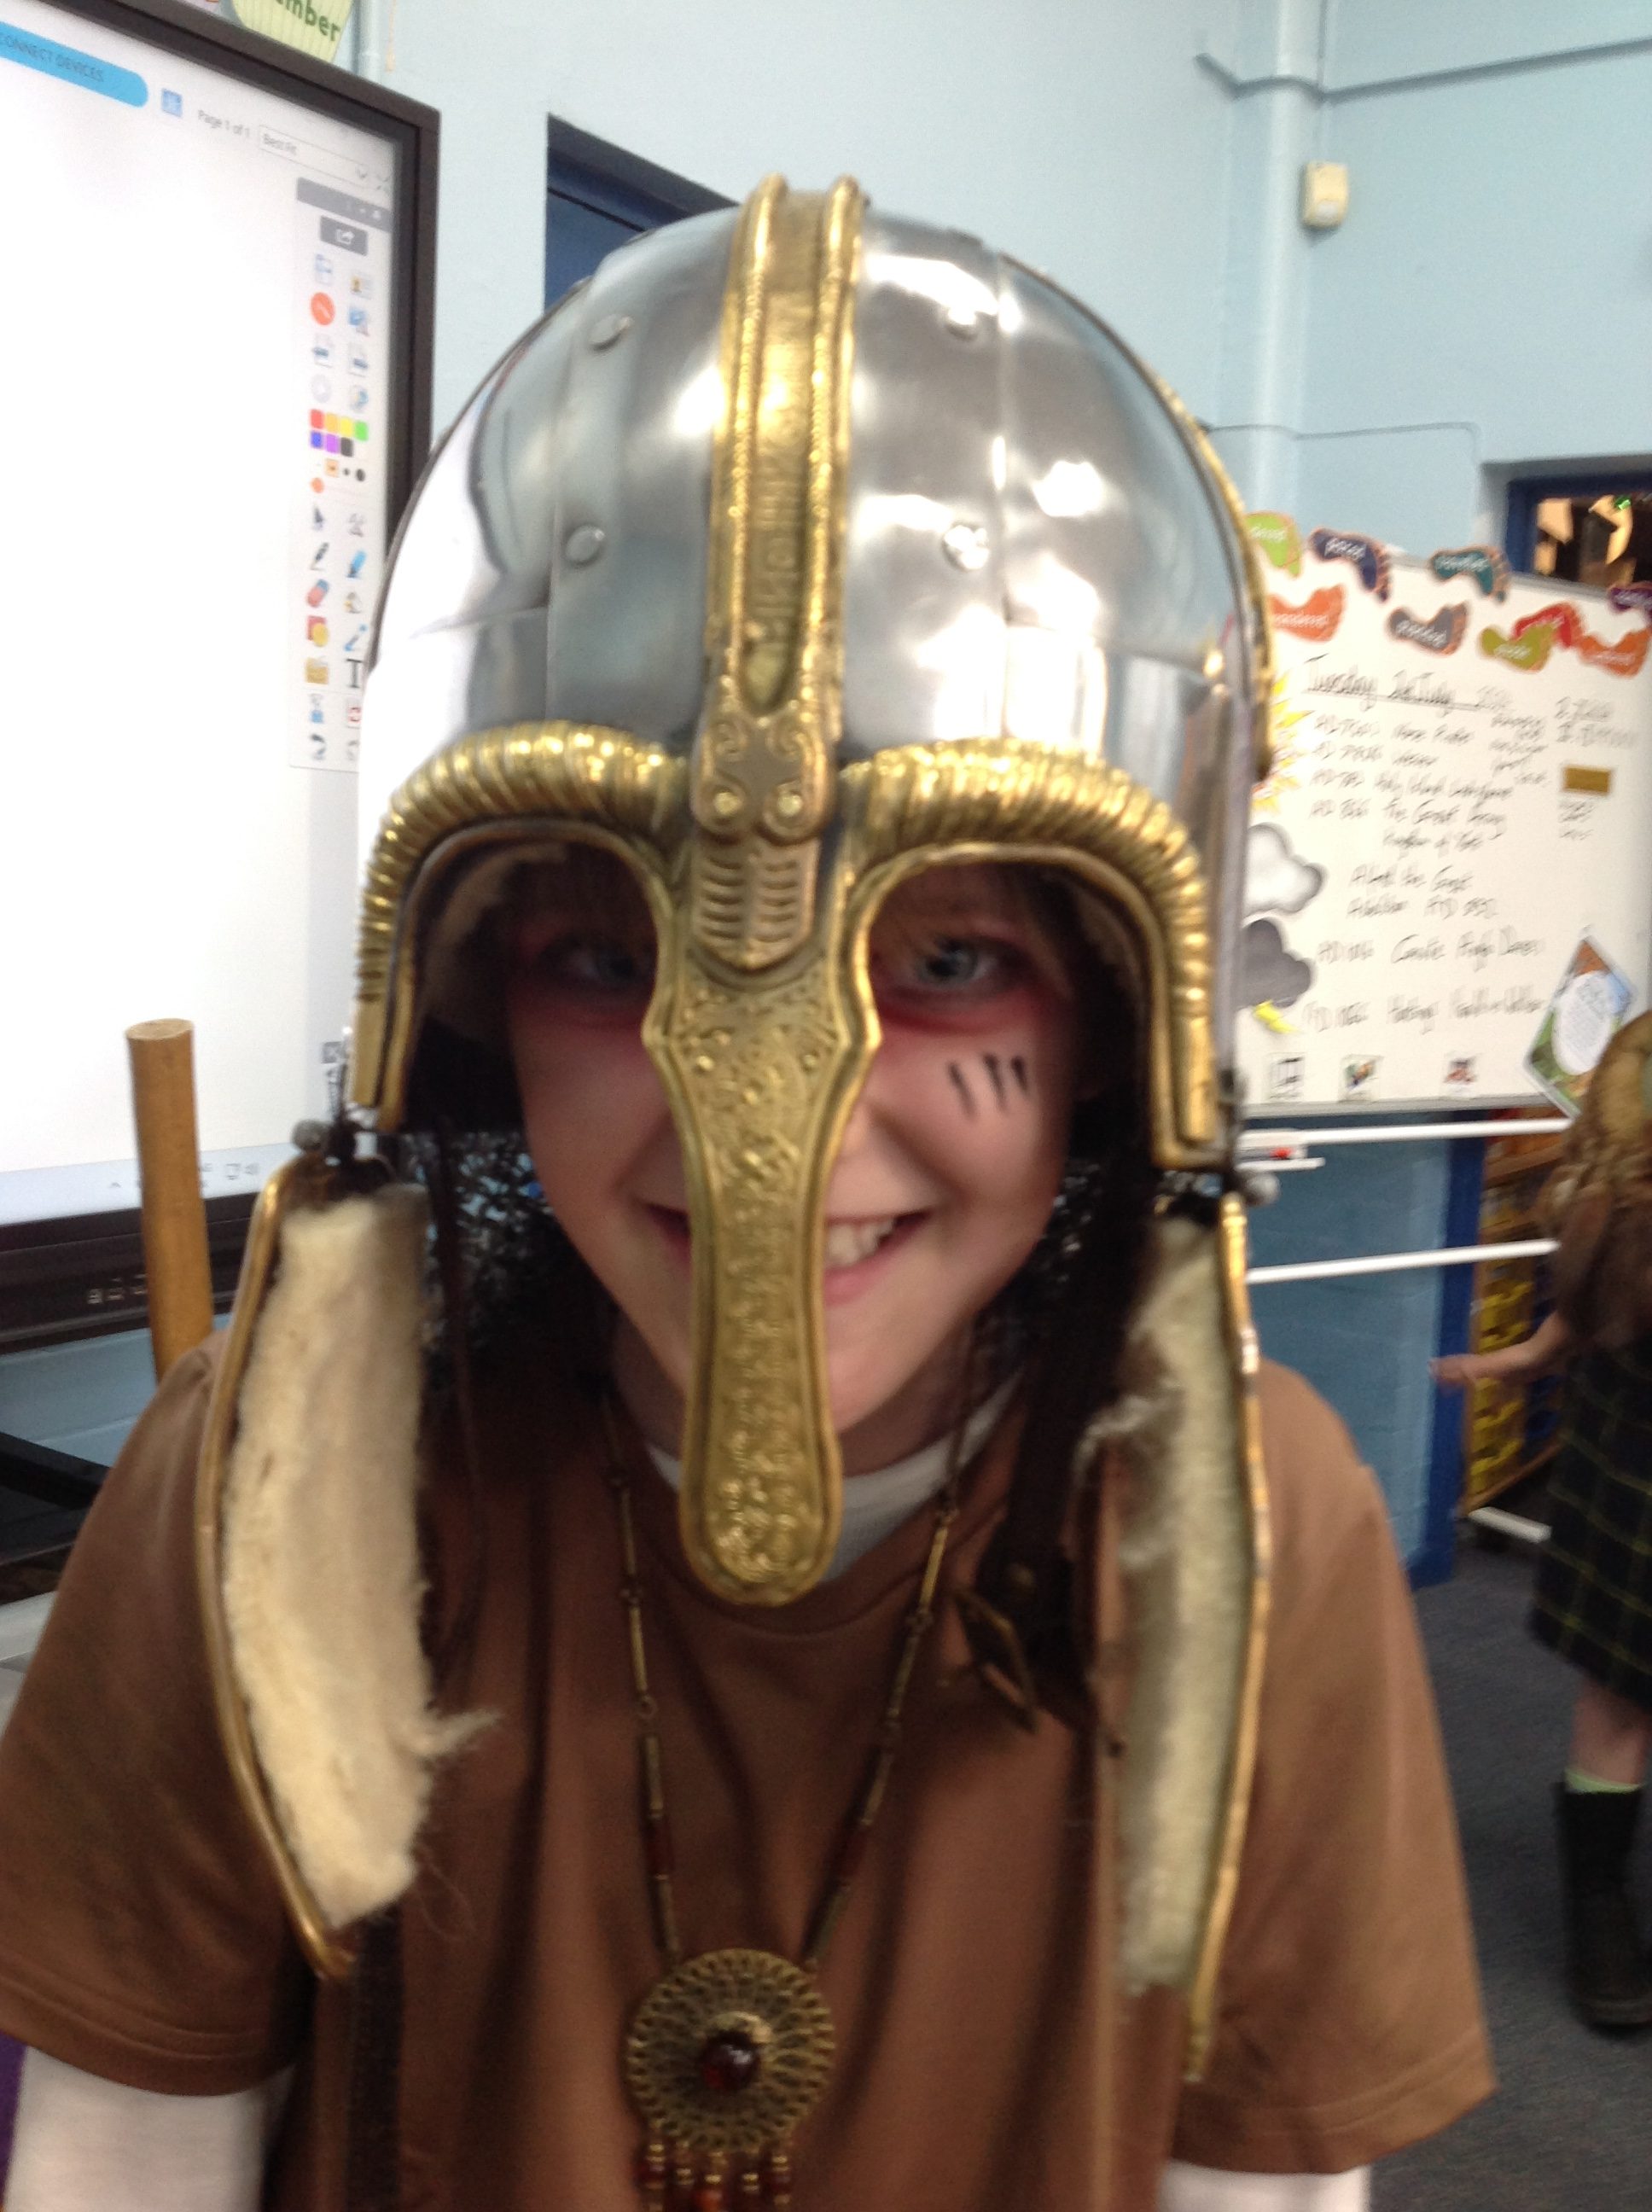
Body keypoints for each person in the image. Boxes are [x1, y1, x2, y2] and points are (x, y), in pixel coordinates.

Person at [0, 178, 1491, 2209]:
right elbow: (119, 2160)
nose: (770, 1122)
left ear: (1112, 1020)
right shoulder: (274, 1486)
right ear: (470, 1013)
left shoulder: (1240, 1524)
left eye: (947, 957)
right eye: (607, 956)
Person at [1435, 1009, 1652, 2031]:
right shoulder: (1629, 1146)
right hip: (1638, 1454)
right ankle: (1597, 1904)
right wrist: (1521, 1358)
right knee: (1621, 1694)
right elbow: (1590, 1287)